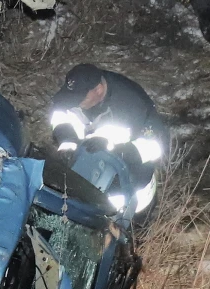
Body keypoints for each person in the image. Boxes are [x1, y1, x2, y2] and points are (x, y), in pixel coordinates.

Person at [48, 64, 166, 214]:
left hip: (128, 192)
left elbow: (156, 146)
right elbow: (60, 112)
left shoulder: (132, 105)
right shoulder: (82, 89)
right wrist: (67, 140)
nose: (76, 102)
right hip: (86, 177)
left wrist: (116, 150)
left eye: (81, 97)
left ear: (99, 90)